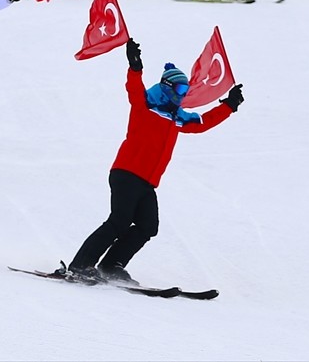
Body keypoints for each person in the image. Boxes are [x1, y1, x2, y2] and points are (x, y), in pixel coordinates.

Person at [67, 39, 242, 285]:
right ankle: (80, 265)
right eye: (180, 90)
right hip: (126, 172)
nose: (183, 96)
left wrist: (229, 106)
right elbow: (134, 90)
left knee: (148, 226)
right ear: (167, 87)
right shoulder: (146, 106)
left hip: (147, 181)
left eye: (186, 91)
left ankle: (111, 264)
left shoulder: (176, 118)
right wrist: (135, 66)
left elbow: (201, 124)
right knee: (118, 221)